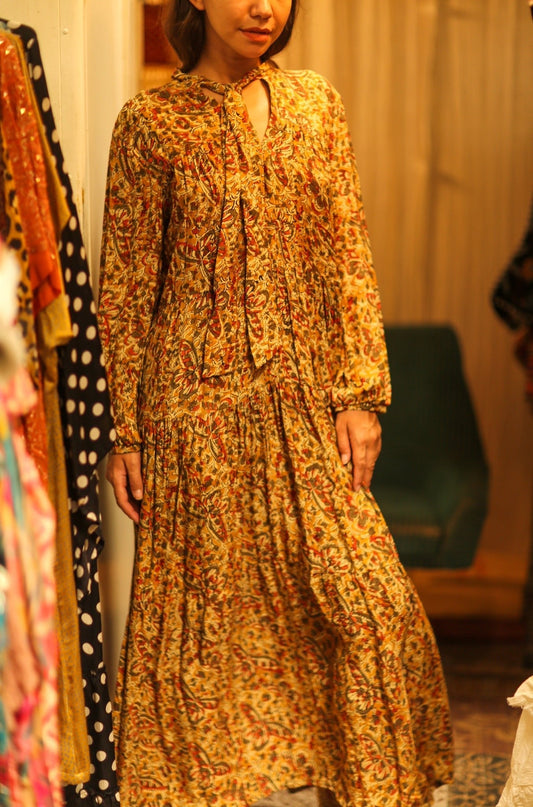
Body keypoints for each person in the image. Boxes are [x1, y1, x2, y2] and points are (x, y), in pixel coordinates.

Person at [97, 1, 454, 805]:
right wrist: (127, 431)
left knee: (368, 608)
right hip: (194, 417)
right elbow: (125, 287)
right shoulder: (150, 125)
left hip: (306, 403)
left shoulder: (313, 104)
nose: (264, 6)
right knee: (206, 640)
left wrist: (360, 393)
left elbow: (347, 253)